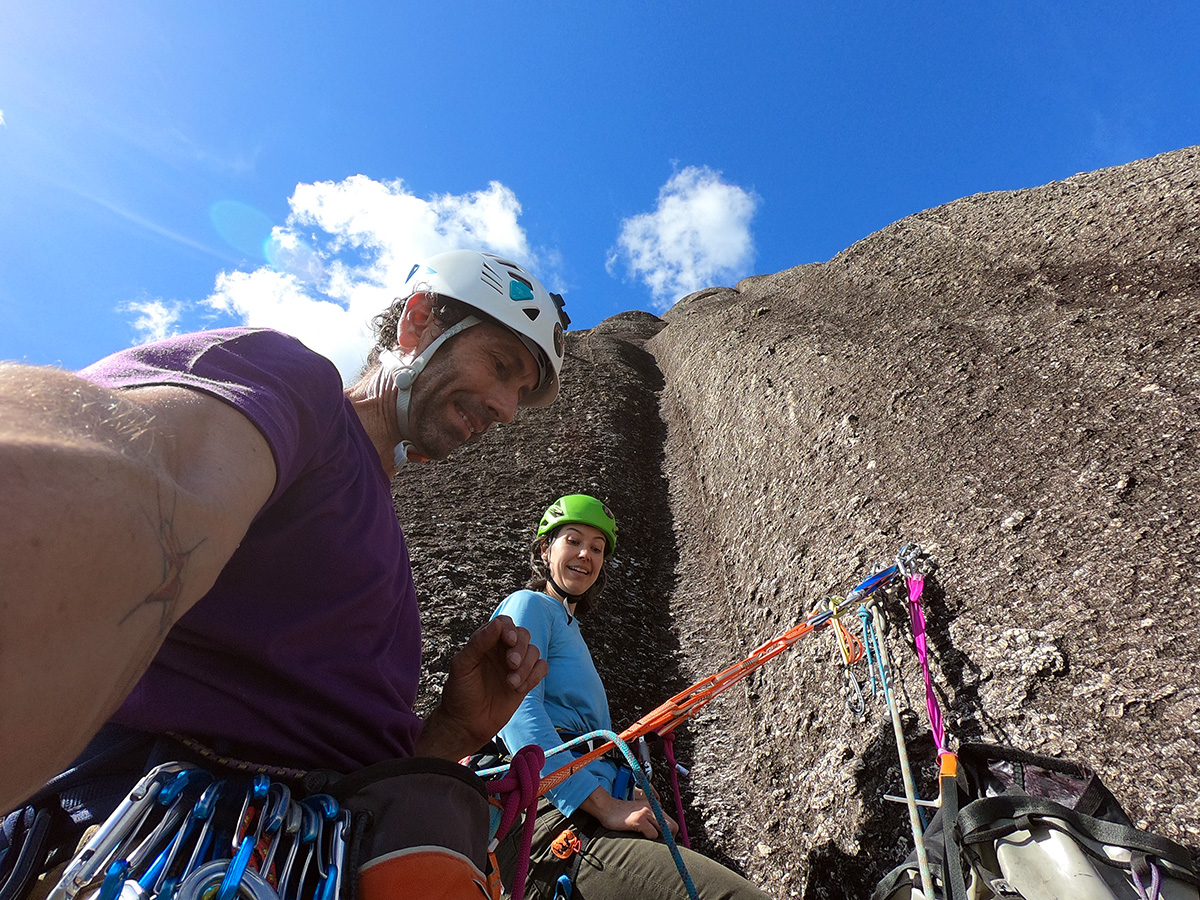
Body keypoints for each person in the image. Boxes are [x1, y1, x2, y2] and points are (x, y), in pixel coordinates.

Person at [0, 249, 566, 817]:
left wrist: (451, 731)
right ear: (418, 322)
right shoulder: (299, 392)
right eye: (499, 365)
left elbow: (340, 766)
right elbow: (110, 476)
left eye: (520, 391)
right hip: (172, 836)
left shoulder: (382, 536)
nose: (507, 409)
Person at [492, 495, 770, 900]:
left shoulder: (569, 629)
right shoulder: (529, 604)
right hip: (549, 820)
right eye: (573, 540)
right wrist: (604, 806)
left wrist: (631, 792)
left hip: (569, 815)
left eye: (597, 548)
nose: (585, 554)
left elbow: (580, 740)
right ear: (544, 549)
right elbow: (518, 712)